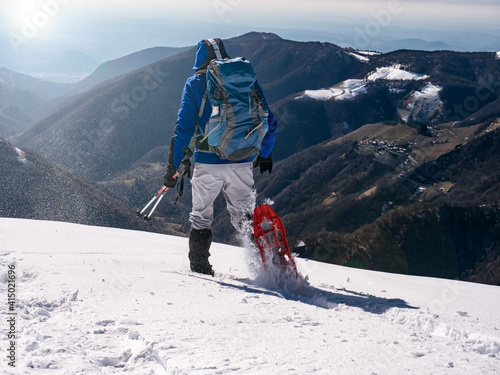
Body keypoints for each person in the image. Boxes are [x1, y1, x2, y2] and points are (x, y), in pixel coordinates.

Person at [163, 38, 277, 276]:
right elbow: (269, 120)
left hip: (208, 162)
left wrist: (174, 168)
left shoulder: (194, 84)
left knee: (201, 217)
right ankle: (268, 266)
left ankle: (200, 270)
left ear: (198, 59)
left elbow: (183, 130)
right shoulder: (246, 80)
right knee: (244, 217)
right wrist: (264, 154)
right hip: (243, 160)